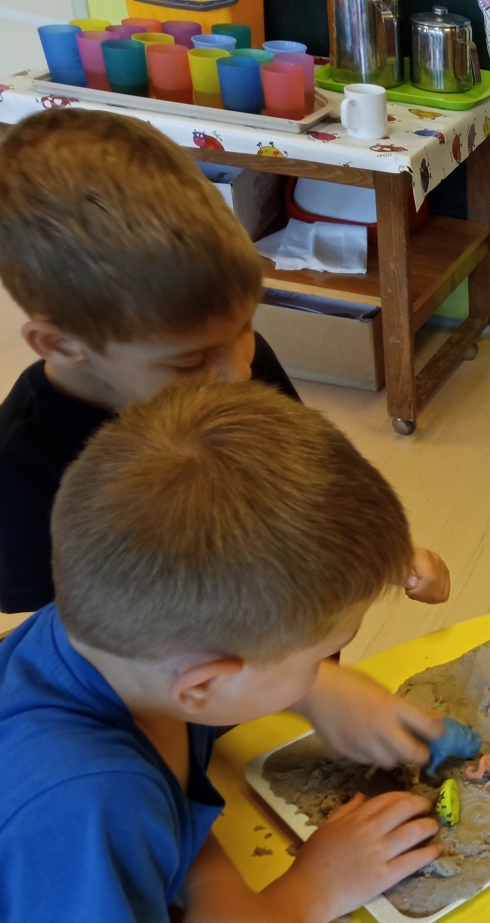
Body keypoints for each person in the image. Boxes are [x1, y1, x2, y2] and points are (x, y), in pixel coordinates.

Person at [0, 381, 445, 923]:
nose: (328, 670)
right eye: (323, 655)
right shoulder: (89, 800)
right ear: (204, 686)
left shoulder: (110, 635)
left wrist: (211, 883)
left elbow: (160, 787)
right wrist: (304, 898)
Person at [0, 109, 451, 616]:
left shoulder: (245, 366)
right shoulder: (21, 466)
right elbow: (51, 630)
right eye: (190, 361)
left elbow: (309, 484)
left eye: (244, 329)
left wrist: (385, 553)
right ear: (62, 344)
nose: (238, 373)